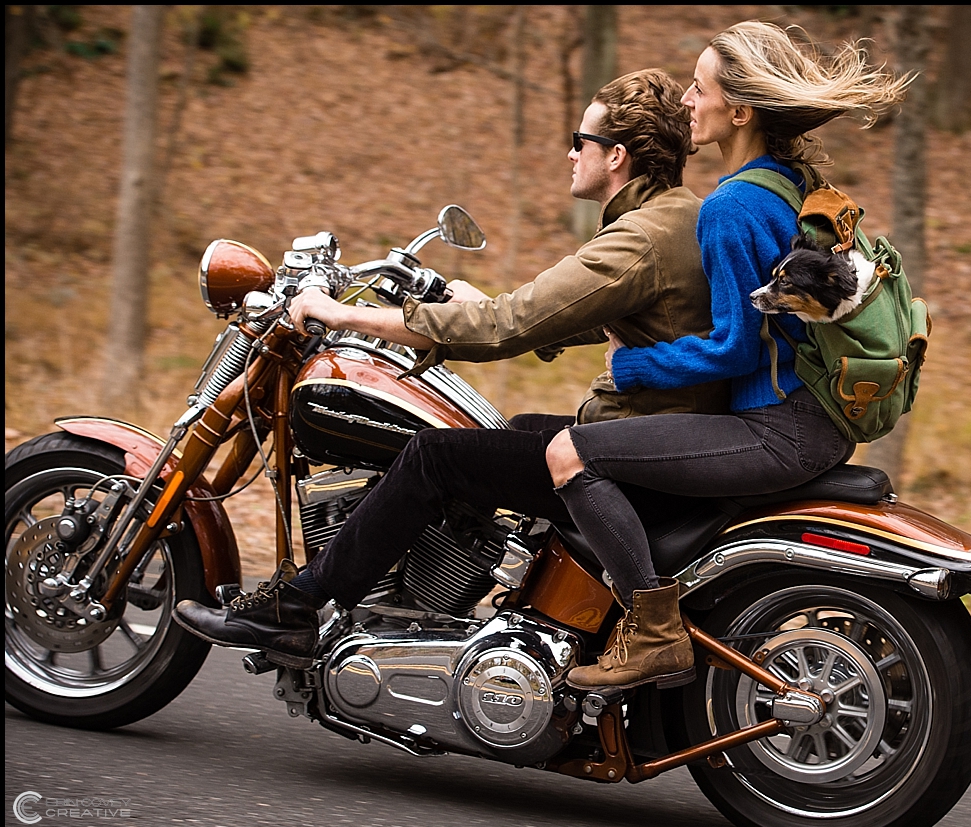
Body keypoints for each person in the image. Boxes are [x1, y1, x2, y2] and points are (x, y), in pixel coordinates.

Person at [173, 68, 730, 669]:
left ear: (616, 155)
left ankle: (299, 610)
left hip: (643, 446)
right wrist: (480, 308)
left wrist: (341, 314)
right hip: (652, 430)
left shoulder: (640, 237)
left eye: (580, 139)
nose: (570, 152)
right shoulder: (676, 216)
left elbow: (508, 327)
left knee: (436, 456)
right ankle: (455, 611)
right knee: (512, 431)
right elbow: (593, 310)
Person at [547, 21, 912, 690]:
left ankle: (653, 634)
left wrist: (630, 365)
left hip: (775, 429)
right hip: (819, 416)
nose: (686, 99)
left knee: (570, 452)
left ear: (739, 111)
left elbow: (734, 347)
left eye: (699, 87)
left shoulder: (730, 207)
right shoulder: (793, 180)